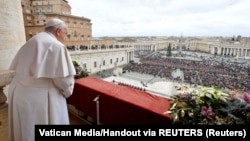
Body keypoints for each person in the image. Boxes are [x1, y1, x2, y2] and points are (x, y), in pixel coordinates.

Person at [8, 18, 76, 141]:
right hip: (40, 100)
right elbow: (63, 81)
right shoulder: (57, 46)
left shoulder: (31, 41)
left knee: (26, 130)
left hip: (20, 94)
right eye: (65, 34)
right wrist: (68, 91)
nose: (65, 38)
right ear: (58, 31)